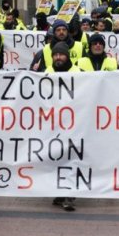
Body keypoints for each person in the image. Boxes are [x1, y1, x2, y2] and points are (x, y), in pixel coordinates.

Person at [45, 42, 79, 211]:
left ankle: (69, 194)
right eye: (55, 55)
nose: (58, 58)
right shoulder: (47, 73)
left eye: (61, 55)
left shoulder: (78, 73)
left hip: (73, 124)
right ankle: (59, 191)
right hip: (53, 124)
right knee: (56, 158)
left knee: (71, 159)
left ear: (67, 56)